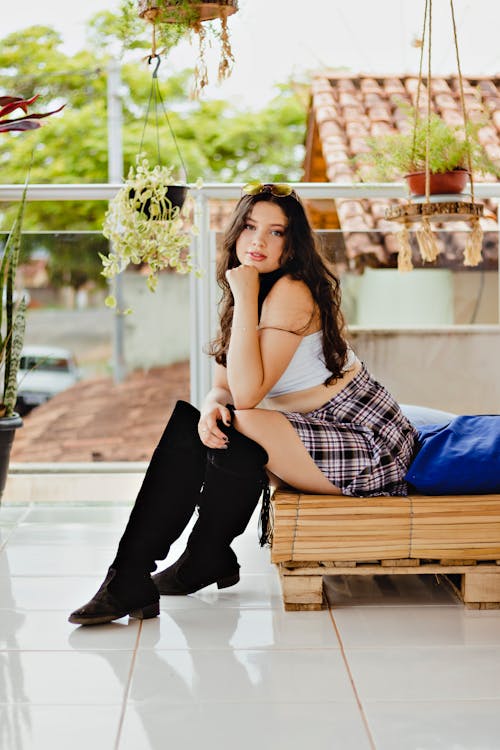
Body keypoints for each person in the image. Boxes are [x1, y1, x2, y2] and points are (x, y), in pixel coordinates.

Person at [69, 183, 418, 626]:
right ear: (234, 232)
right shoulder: (248, 286)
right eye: (250, 227)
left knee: (227, 426)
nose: (258, 241)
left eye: (276, 232)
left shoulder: (289, 290)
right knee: (204, 423)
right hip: (309, 428)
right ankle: (183, 560)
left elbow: (249, 394)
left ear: (292, 247)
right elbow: (226, 386)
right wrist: (214, 402)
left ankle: (171, 565)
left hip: (365, 440)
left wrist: (245, 294)